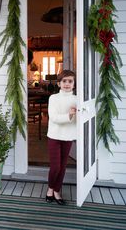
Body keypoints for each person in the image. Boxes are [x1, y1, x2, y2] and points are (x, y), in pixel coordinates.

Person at [46, 69, 77, 205]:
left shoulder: (77, 100)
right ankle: (50, 188)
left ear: (74, 84)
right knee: (55, 167)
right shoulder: (53, 98)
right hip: (54, 135)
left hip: (68, 136)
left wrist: (77, 114)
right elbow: (53, 117)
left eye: (70, 81)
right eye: (64, 81)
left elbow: (79, 120)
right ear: (59, 84)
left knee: (63, 166)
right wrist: (69, 115)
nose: (67, 84)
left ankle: (57, 191)